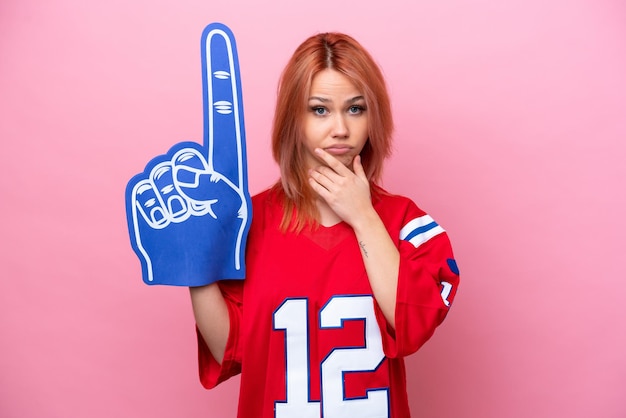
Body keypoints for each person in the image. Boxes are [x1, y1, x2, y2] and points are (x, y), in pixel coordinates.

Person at [189, 31, 460, 418]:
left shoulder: (405, 221)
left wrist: (364, 216)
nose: (340, 129)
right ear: (292, 118)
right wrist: (189, 263)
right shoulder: (248, 223)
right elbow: (232, 348)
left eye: (355, 108)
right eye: (319, 109)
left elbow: (413, 323)